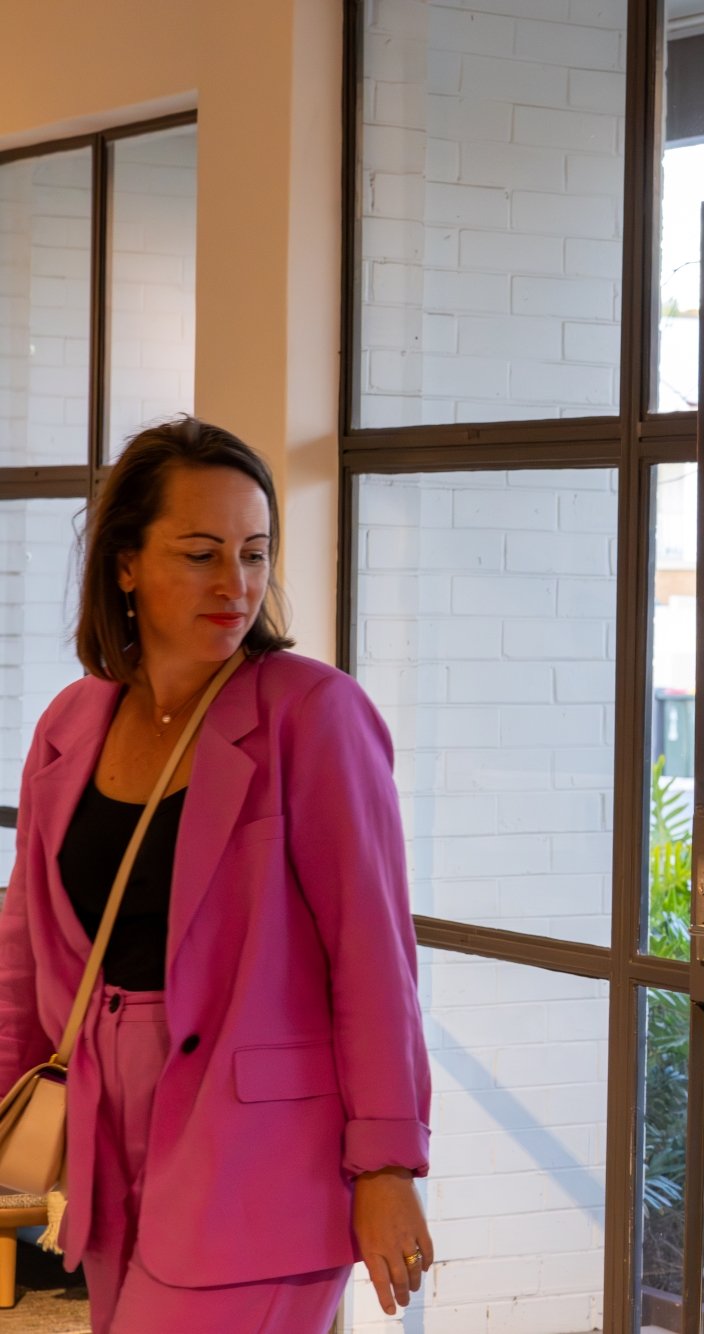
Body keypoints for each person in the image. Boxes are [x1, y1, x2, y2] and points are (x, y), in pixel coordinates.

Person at [0, 418, 432, 1331]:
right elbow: (21, 948)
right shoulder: (70, 724)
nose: (235, 585)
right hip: (107, 1153)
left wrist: (387, 1166)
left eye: (254, 552)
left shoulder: (313, 716)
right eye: (200, 555)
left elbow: (373, 958)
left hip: (263, 1161)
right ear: (124, 564)